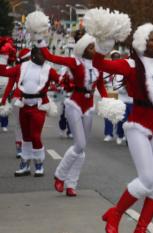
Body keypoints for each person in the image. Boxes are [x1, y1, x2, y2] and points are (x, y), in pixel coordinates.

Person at [92, 23, 153, 233]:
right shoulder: (131, 65)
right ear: (143, 43)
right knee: (147, 180)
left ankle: (141, 228)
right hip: (138, 126)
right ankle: (115, 214)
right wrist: (103, 44)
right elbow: (100, 65)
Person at [35, 33, 108, 196]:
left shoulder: (99, 66)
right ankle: (60, 175)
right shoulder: (75, 62)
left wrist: (109, 101)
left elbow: (101, 86)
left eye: (94, 46)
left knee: (81, 148)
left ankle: (71, 184)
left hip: (89, 106)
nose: (93, 50)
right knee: (80, 144)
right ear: (82, 49)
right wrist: (39, 37)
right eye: (90, 47)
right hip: (74, 104)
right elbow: (50, 56)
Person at [0, 47, 60, 177]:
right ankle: (25, 165)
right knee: (25, 137)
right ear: (33, 55)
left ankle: (39, 165)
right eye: (41, 54)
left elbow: (60, 80)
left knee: (35, 135)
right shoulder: (23, 67)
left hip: (39, 106)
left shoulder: (48, 69)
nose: (44, 57)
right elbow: (3, 72)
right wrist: (3, 57)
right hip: (24, 105)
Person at [0, 48, 31, 158]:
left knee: (26, 125)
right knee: (20, 124)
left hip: (32, 99)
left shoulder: (38, 68)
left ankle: (26, 146)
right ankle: (20, 147)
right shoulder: (18, 68)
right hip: (18, 99)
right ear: (27, 58)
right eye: (30, 56)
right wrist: (3, 57)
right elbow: (7, 80)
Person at [103, 50, 133, 144]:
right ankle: (108, 133)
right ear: (111, 58)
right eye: (114, 57)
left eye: (117, 57)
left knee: (121, 116)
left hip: (121, 95)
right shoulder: (106, 69)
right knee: (109, 114)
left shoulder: (122, 68)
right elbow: (103, 81)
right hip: (111, 93)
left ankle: (121, 134)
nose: (116, 58)